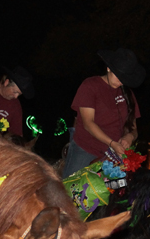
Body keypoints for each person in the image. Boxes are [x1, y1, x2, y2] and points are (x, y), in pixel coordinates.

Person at [61, 48, 145, 177]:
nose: (121, 81)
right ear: (108, 68)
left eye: (125, 77)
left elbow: (133, 128)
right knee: (70, 191)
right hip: (86, 149)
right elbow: (88, 123)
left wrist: (130, 137)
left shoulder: (128, 94)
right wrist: (112, 143)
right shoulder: (90, 85)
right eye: (119, 75)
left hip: (114, 155)